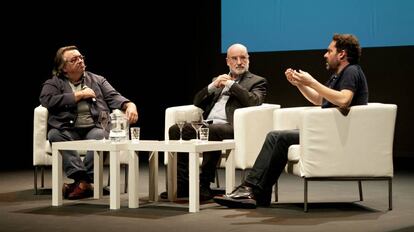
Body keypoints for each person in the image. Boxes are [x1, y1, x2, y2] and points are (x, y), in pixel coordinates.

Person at [213, 33, 369, 208]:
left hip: (335, 134)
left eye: (329, 51)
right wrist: (300, 84)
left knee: (276, 137)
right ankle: (259, 194)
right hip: (328, 130)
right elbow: (319, 99)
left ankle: (249, 188)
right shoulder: (339, 75)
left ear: (341, 54)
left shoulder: (351, 71)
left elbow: (344, 100)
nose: (325, 55)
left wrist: (312, 81)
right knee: (278, 138)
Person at [161, 43, 268, 201]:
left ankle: (204, 184)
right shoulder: (218, 81)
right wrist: (212, 86)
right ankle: (182, 185)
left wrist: (232, 85)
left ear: (248, 60)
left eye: (243, 58)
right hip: (207, 124)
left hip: (232, 127)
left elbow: (254, 101)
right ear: (227, 61)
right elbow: (197, 102)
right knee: (176, 130)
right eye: (234, 58)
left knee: (213, 130)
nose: (239, 62)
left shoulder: (257, 81)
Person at [39, 45, 138, 200]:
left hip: (94, 127)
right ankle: (85, 181)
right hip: (66, 129)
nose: (80, 61)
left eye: (81, 57)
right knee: (54, 134)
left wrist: (130, 105)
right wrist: (79, 95)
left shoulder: (97, 80)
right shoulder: (54, 83)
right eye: (74, 59)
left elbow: (115, 97)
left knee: (101, 136)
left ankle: (82, 184)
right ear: (63, 68)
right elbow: (47, 100)